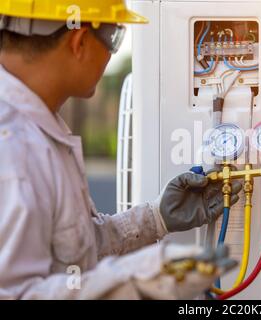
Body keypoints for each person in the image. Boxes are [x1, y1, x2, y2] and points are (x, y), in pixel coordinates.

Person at [0, 0, 242, 299]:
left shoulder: (36, 127)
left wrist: (156, 218)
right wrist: (134, 285)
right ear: (79, 41)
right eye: (115, 37)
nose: (111, 54)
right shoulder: (13, 149)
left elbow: (72, 250)